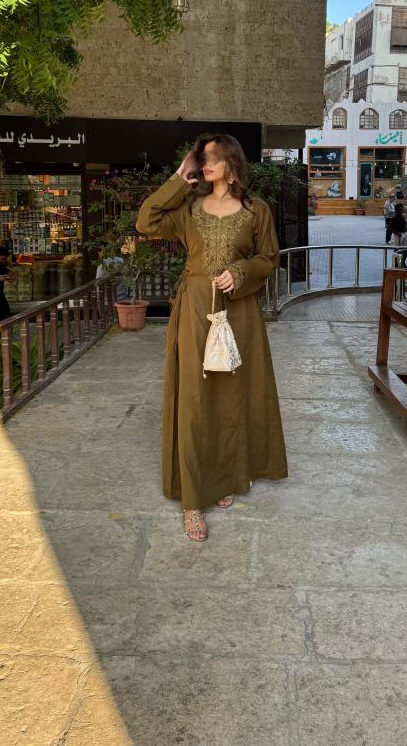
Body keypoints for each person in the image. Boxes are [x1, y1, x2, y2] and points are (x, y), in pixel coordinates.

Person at [136, 132, 288, 542]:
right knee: (194, 398)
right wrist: (177, 178)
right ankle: (192, 501)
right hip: (196, 309)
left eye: (213, 157)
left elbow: (268, 258)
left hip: (239, 311)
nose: (206, 164)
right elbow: (146, 221)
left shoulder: (256, 209)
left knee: (232, 395)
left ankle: (224, 476)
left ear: (232, 162)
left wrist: (240, 272)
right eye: (201, 158)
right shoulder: (188, 207)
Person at [389, 203, 407, 267]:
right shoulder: (395, 217)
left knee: (406, 249)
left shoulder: (402, 215)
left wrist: (406, 229)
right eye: (401, 207)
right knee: (398, 250)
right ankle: (397, 264)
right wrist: (397, 233)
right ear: (398, 209)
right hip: (398, 235)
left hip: (404, 234)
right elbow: (389, 227)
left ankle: (402, 262)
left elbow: (403, 225)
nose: (403, 208)